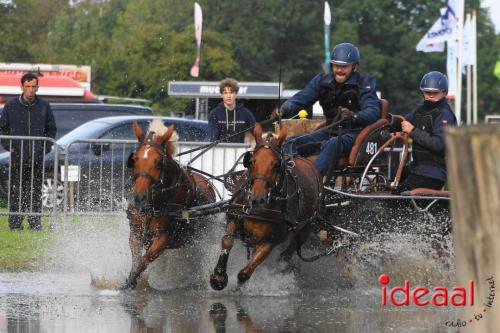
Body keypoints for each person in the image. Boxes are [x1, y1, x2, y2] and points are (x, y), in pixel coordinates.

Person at [274, 42, 380, 177]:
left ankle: (310, 181)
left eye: (344, 67)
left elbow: (373, 111)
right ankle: (289, 179)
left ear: (354, 66)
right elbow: (301, 98)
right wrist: (283, 109)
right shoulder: (321, 80)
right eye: (336, 66)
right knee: (290, 143)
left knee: (332, 144)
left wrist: (354, 116)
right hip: (329, 131)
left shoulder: (364, 83)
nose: (339, 70)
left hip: (354, 134)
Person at [0, 73, 57, 230]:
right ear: (22, 87)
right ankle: (15, 224)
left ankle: (35, 223)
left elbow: (51, 129)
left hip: (37, 157)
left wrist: (45, 147)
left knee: (35, 192)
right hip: (17, 156)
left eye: (34, 86)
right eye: (28, 86)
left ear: (37, 87)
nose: (31, 90)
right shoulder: (10, 106)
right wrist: (9, 146)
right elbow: (2, 129)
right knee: (16, 192)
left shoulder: (44, 106)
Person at [394, 71, 457, 192]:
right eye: (427, 92)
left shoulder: (445, 115)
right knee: (390, 181)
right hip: (416, 168)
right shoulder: (420, 109)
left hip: (434, 173)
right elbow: (403, 122)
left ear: (444, 92)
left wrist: (412, 131)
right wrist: (388, 121)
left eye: (435, 93)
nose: (430, 96)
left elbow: (438, 144)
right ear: (422, 92)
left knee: (399, 195)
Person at [208, 78, 256, 143]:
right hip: (220, 150)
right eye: (225, 93)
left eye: (231, 93)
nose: (228, 96)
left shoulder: (246, 113)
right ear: (221, 95)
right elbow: (212, 138)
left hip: (240, 151)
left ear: (236, 94)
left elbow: (256, 132)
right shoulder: (214, 113)